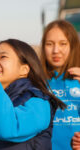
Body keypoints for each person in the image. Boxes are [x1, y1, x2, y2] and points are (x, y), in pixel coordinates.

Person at [40, 19, 80, 150]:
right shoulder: (36, 82)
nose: (56, 50)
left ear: (73, 46)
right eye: (50, 44)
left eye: (63, 44)